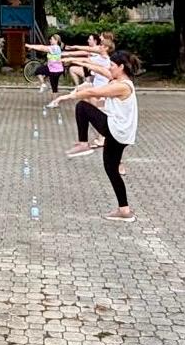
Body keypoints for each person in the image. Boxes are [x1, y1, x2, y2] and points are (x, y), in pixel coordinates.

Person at [50, 50, 140, 222]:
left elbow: (94, 92)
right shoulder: (120, 82)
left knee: (82, 107)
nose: (110, 68)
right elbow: (101, 99)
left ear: (121, 67)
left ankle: (83, 144)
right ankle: (124, 211)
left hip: (116, 130)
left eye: (112, 66)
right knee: (111, 169)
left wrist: (68, 96)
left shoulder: (123, 85)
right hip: (119, 132)